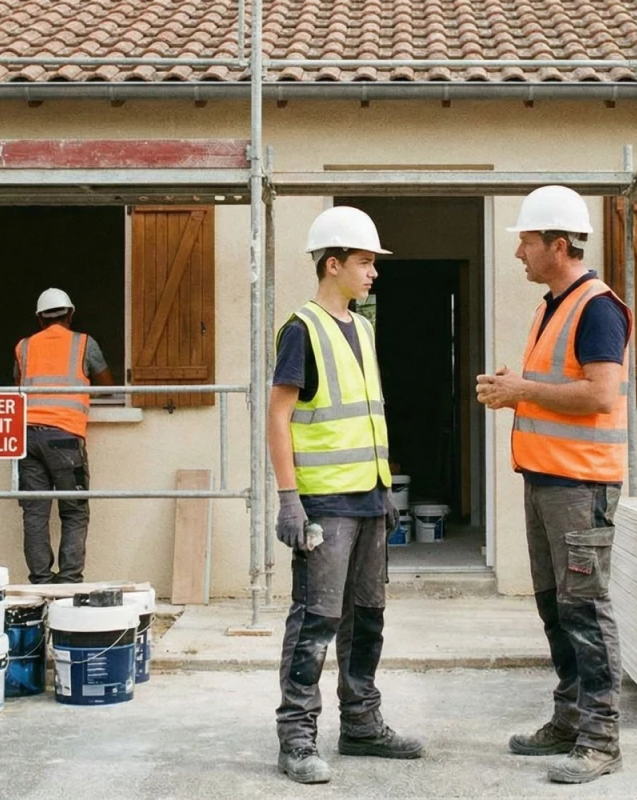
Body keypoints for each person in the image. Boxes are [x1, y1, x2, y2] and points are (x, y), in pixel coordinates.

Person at [475, 185, 631, 785]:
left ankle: (601, 739)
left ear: (558, 245)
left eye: (526, 242)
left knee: (585, 611)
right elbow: (556, 386)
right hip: (547, 480)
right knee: (556, 608)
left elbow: (600, 394)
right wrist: (516, 388)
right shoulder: (551, 306)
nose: (519, 252)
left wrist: (523, 391)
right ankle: (570, 721)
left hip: (581, 486)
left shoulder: (597, 307)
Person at [268, 206, 424, 784]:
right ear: (331, 264)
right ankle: (297, 738)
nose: (374, 272)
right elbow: (278, 416)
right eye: (364, 261)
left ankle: (360, 724)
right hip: (326, 503)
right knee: (316, 620)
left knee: (368, 617)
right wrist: (289, 498)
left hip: (369, 498)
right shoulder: (301, 330)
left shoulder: (362, 328)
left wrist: (384, 493)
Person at [14, 288, 113, 584]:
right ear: (70, 314)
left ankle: (41, 581)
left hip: (27, 439)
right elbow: (108, 387)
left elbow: (17, 387)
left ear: (40, 319)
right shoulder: (83, 343)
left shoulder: (24, 347)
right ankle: (68, 581)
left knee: (35, 514)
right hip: (65, 438)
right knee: (74, 511)